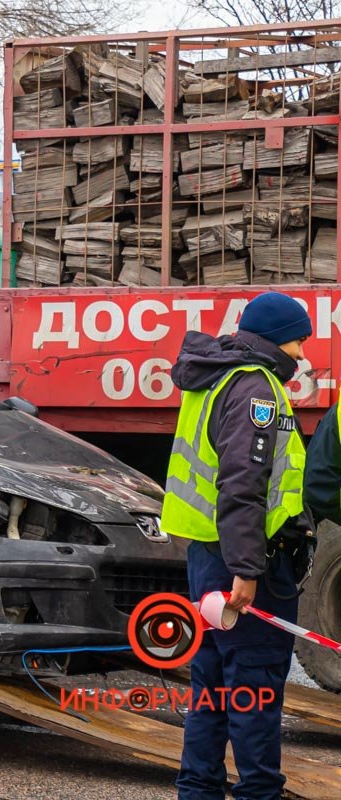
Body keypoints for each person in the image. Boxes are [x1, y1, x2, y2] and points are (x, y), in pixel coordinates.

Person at [160, 291, 313, 800]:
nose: (302, 354)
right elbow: (243, 485)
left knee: (211, 686)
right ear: (273, 339)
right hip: (247, 561)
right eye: (297, 340)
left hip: (208, 554)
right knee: (255, 687)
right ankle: (258, 794)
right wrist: (248, 570)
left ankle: (198, 790)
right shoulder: (257, 390)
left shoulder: (215, 376)